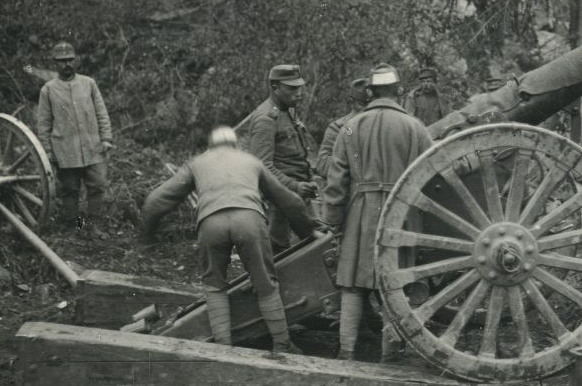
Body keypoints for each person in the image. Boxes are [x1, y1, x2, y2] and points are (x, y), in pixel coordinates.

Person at [140, 126, 313, 352]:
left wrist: (147, 237)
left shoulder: (197, 162)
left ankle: (223, 347)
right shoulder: (251, 161)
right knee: (265, 284)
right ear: (235, 144)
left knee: (214, 286)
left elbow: (155, 201)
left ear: (210, 146)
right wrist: (308, 233)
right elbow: (289, 201)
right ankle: (282, 343)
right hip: (249, 220)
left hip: (211, 223)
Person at [323, 64, 432, 362]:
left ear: (370, 91)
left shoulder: (350, 126)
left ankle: (346, 353)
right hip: (401, 214)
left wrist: (332, 219)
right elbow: (431, 173)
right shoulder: (415, 126)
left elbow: (337, 177)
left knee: (352, 284)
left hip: (360, 212)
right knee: (394, 284)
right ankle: (390, 354)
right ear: (397, 90)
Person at [36, 41, 114, 232]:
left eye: (70, 60)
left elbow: (101, 113)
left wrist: (106, 138)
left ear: (75, 60)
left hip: (92, 147)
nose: (67, 64)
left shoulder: (89, 84)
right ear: (55, 63)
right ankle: (77, 227)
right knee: (71, 191)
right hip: (65, 151)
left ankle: (94, 225)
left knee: (97, 186)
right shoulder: (48, 90)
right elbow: (44, 125)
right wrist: (48, 152)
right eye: (62, 61)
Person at [248, 64, 318, 253]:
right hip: (278, 198)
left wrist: (309, 179)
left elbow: (298, 153)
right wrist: (295, 186)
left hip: (298, 192)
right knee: (278, 250)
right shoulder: (265, 119)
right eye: (292, 88)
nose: (299, 93)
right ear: (275, 88)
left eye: (300, 87)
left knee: (317, 241)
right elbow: (262, 167)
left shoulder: (288, 111)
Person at [315, 77, 367, 180]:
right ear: (351, 102)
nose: (366, 110)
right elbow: (322, 165)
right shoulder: (338, 128)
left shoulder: (378, 126)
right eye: (362, 104)